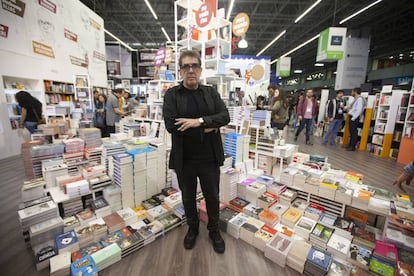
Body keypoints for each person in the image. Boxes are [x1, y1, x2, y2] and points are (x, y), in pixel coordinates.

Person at [163, 50, 230, 254]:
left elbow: (225, 116)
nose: (190, 70)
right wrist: (209, 125)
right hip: (185, 158)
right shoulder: (172, 95)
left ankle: (213, 230)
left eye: (194, 66)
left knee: (212, 195)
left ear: (200, 69)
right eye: (186, 66)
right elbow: (171, 125)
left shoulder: (210, 92)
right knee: (188, 197)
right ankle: (192, 228)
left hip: (209, 157)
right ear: (181, 71)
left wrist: (198, 121)